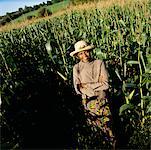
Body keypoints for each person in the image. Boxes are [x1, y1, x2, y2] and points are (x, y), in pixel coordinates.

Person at [70, 40, 116, 148]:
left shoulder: (99, 63)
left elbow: (105, 84)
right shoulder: (76, 68)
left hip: (102, 99)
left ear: (90, 51)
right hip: (88, 102)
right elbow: (78, 88)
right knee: (95, 129)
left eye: (86, 51)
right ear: (77, 55)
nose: (84, 55)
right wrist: (96, 85)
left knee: (108, 127)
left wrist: (87, 85)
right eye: (81, 53)